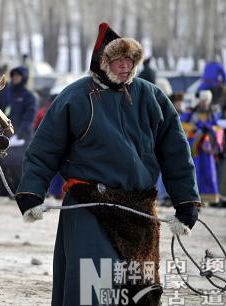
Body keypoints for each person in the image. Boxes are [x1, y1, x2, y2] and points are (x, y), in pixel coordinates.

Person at [15, 23, 200, 306]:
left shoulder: (152, 97)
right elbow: (44, 149)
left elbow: (175, 150)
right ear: (103, 63)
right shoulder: (75, 97)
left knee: (138, 292)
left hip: (140, 210)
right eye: (118, 60)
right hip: (90, 205)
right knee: (94, 289)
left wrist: (186, 201)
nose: (126, 66)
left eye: (131, 60)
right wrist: (31, 192)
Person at [0, 66, 37, 195]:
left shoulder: (29, 96)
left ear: (24, 78)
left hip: (20, 138)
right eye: (14, 75)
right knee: (1, 162)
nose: (15, 78)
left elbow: (29, 117)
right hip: (4, 135)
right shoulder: (6, 93)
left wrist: (20, 134)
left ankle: (19, 190)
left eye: (18, 76)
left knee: (17, 165)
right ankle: (2, 190)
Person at [181, 90, 223, 204]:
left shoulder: (211, 114)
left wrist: (209, 130)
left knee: (209, 172)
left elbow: (218, 128)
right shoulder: (192, 113)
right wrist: (194, 128)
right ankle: (195, 198)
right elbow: (181, 123)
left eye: (205, 101)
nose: (203, 103)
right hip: (195, 148)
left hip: (207, 148)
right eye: (202, 101)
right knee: (195, 171)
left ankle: (210, 198)